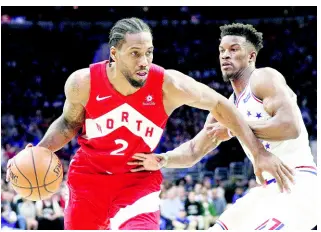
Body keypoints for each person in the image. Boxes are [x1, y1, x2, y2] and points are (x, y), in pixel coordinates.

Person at [7, 18, 292, 230]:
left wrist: (258, 152)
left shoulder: (168, 84)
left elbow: (221, 103)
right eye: (135, 53)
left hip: (137, 182)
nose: (144, 61)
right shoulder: (83, 83)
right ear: (114, 54)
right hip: (88, 182)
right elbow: (69, 123)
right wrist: (37, 153)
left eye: (149, 52)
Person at [129, 23, 317, 230]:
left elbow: (290, 126)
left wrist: (232, 129)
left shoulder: (264, 78)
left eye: (234, 49)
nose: (225, 55)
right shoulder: (226, 106)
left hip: (298, 183)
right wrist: (163, 159)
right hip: (266, 190)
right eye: (222, 51)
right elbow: (194, 150)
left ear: (251, 56)